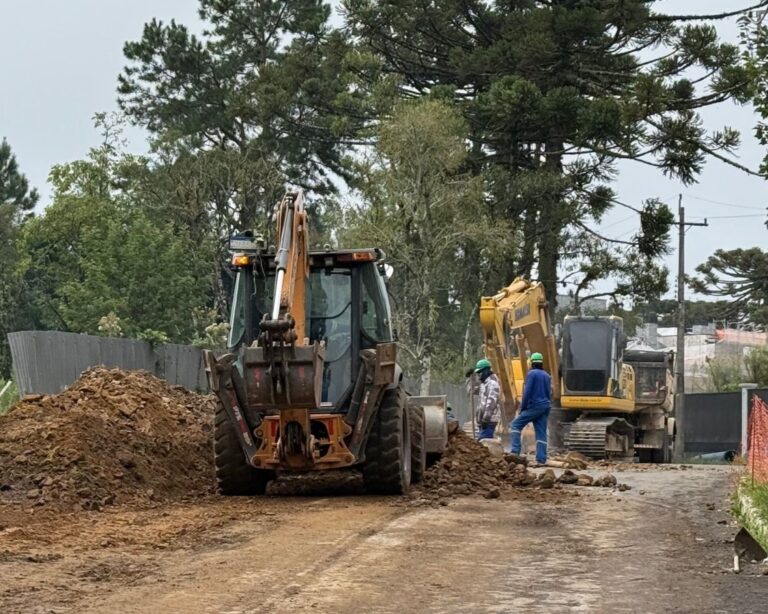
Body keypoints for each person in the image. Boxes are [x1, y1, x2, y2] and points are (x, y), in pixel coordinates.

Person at [510, 352, 552, 466]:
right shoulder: (547, 376)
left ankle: (514, 452)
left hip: (534, 406)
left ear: (532, 363)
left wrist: (523, 408)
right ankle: (541, 459)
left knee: (515, 425)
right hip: (545, 406)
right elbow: (549, 393)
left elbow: (527, 393)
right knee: (541, 432)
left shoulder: (532, 374)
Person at [474, 358, 500, 440]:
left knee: (483, 443)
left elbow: (491, 404)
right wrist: (469, 379)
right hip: (484, 421)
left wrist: (485, 419)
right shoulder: (483, 384)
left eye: (480, 372)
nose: (479, 375)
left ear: (486, 371)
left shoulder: (493, 384)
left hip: (489, 420)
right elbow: (471, 391)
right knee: (484, 444)